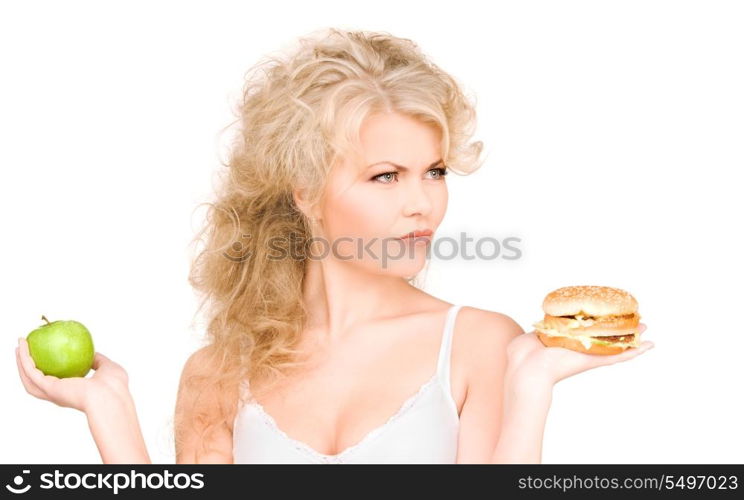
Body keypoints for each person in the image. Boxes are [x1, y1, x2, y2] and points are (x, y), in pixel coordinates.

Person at [14, 27, 654, 464]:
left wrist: (533, 385)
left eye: (434, 172)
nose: (422, 203)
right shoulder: (218, 374)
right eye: (385, 176)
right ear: (302, 190)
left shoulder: (481, 346)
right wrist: (111, 410)